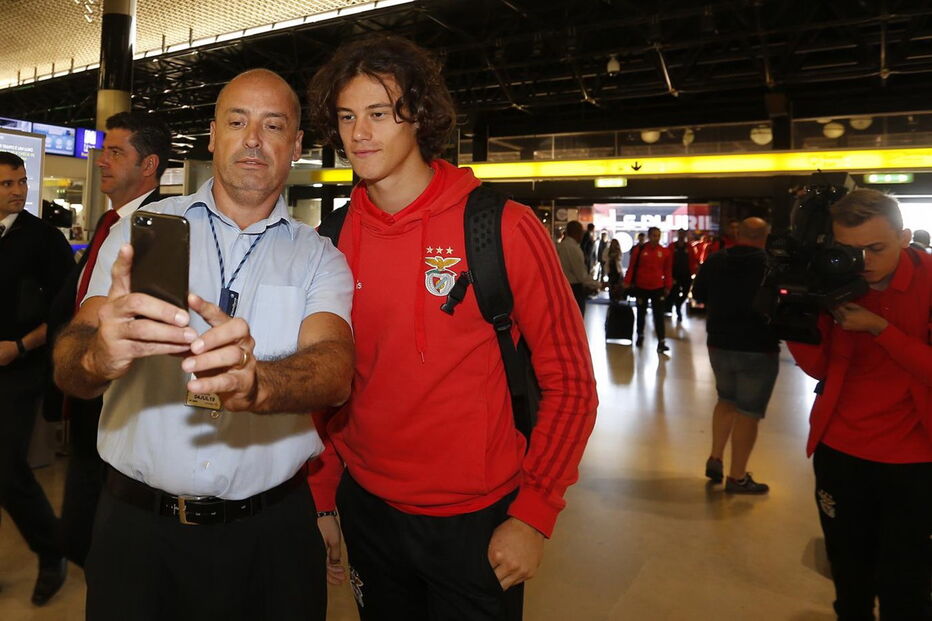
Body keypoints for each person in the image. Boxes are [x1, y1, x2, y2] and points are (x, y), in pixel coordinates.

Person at [305, 35, 597, 621]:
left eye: (380, 113)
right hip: (368, 510)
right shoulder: (331, 242)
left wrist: (533, 514)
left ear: (419, 116)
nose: (359, 133)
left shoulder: (502, 228)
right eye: (346, 117)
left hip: (477, 520)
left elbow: (571, 382)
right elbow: (329, 385)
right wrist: (323, 496)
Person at [52, 69, 355, 621]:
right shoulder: (140, 231)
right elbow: (71, 362)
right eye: (237, 122)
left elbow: (335, 370)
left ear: (296, 146)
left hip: (271, 538)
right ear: (213, 136)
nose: (254, 139)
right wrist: (98, 356)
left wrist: (260, 381)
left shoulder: (320, 256)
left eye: (273, 125)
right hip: (137, 534)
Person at [787, 189, 931, 619]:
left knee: (907, 584)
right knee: (849, 577)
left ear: (904, 237)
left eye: (876, 248)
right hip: (842, 451)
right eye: (849, 250)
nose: (863, 261)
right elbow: (818, 368)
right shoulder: (834, 280)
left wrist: (879, 328)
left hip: (917, 459)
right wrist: (795, 315)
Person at [45, 111, 172, 568]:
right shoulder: (109, 224)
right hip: (85, 384)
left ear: (149, 164)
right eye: (104, 151)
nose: (102, 161)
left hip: (122, 398)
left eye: (116, 153)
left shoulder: (160, 228)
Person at [0, 151, 74, 605]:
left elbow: (64, 313)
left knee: (7, 469)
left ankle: (53, 552)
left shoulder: (45, 240)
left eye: (21, 181)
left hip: (21, 370)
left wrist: (20, 345)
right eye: (8, 183)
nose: (19, 190)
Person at [692, 218, 778, 494]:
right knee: (748, 411)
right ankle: (737, 476)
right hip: (758, 346)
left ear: (738, 233)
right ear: (766, 235)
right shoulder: (771, 264)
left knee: (726, 399)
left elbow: (698, 293)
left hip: (718, 343)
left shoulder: (716, 260)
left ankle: (715, 457)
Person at [623, 226, 672, 352]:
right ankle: (640, 335)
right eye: (654, 235)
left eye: (658, 235)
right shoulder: (639, 250)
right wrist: (627, 282)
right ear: (649, 236)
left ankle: (661, 341)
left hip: (657, 287)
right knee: (641, 313)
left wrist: (668, 285)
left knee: (659, 315)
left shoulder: (665, 252)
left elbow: (667, 270)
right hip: (641, 286)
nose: (656, 238)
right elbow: (632, 266)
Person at [557, 220, 602, 316]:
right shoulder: (574, 248)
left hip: (561, 288)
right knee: (576, 319)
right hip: (574, 290)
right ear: (577, 232)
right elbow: (581, 276)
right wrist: (598, 284)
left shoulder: (560, 246)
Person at [669, 228, 698, 321]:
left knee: (686, 293)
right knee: (674, 293)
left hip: (686, 274)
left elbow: (693, 259)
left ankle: (678, 304)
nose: (681, 236)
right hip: (675, 275)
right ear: (678, 235)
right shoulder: (672, 246)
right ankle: (677, 310)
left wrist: (694, 271)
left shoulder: (689, 247)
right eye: (680, 234)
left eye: (683, 234)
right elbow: (668, 261)